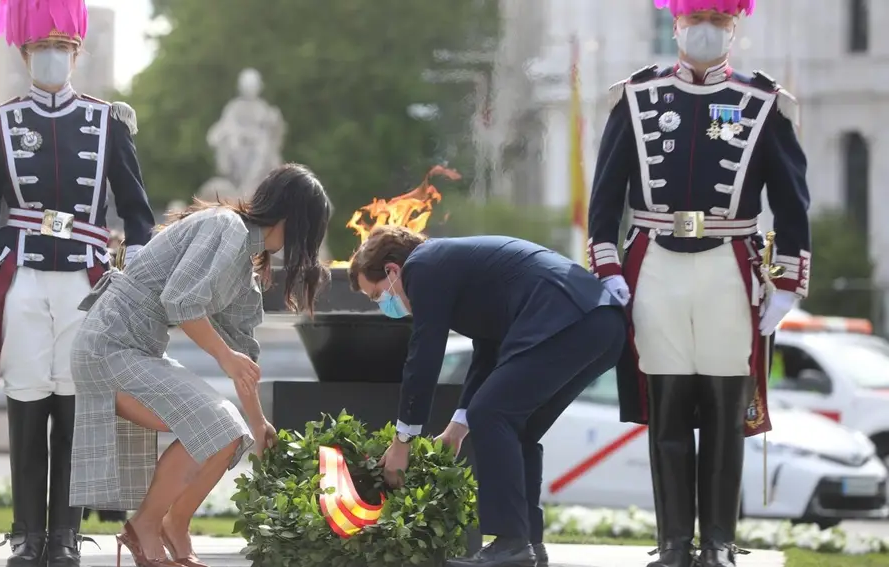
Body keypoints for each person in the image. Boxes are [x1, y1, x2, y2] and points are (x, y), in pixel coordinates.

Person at [587, 1, 811, 566]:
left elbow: (790, 200)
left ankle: (718, 543)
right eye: (695, 21)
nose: (706, 31)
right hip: (655, 262)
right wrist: (608, 266)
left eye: (719, 21)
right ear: (677, 25)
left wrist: (785, 283)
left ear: (734, 29)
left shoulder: (763, 103)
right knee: (667, 408)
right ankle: (672, 545)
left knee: (722, 412)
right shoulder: (636, 99)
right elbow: (606, 196)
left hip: (729, 266)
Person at [0, 1, 156, 566]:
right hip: (20, 274)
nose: (51, 56)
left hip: (85, 279)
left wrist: (136, 272)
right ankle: (26, 534)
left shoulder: (107, 122)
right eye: (41, 47)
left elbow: (137, 211)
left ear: (75, 53)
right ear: (24, 54)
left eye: (61, 48)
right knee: (25, 400)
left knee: (73, 405)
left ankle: (65, 535)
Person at [69, 164, 332, 567]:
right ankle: (144, 527)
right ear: (293, 219)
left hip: (137, 351)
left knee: (230, 434)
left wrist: (259, 423)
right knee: (214, 426)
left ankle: (174, 526)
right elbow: (181, 301)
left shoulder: (245, 264)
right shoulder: (226, 227)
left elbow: (244, 352)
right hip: (109, 348)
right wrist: (225, 358)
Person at [348, 226, 626, 567]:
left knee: (492, 414)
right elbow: (487, 353)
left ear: (392, 270)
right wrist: (457, 427)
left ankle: (510, 544)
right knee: (514, 425)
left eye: (376, 295)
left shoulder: (422, 266)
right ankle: (527, 543)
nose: (383, 305)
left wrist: (403, 440)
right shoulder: (452, 265)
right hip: (601, 324)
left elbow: (424, 356)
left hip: (566, 317)